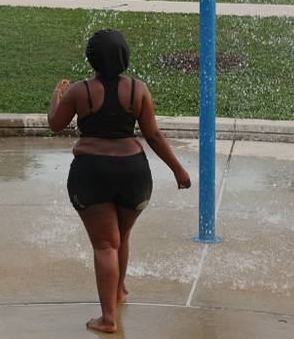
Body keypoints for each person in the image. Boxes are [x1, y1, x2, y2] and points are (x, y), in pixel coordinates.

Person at [47, 29, 191, 334]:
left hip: (92, 172)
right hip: (134, 173)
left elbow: (55, 125)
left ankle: (108, 318)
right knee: (120, 238)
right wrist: (178, 170)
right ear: (125, 57)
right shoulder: (138, 90)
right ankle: (120, 290)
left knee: (104, 245)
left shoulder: (80, 91)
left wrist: (56, 95)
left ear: (91, 59)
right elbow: (152, 134)